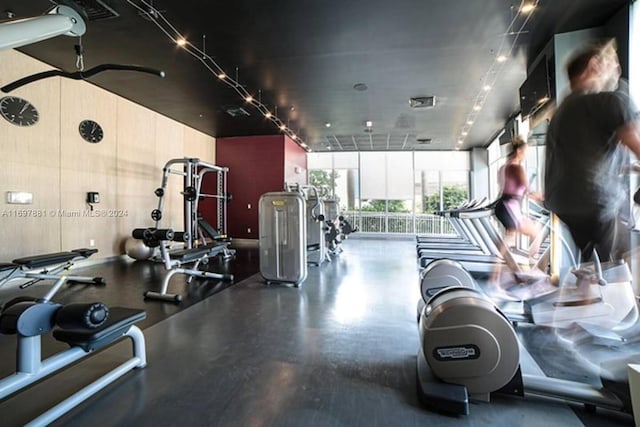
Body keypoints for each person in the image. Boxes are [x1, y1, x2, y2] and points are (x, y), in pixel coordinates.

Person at [544, 39, 640, 263]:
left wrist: (628, 167)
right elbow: (634, 142)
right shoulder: (610, 102)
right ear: (594, 65)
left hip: (565, 205)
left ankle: (588, 291)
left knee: (593, 267)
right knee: (615, 265)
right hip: (595, 202)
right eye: (612, 64)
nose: (617, 71)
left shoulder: (562, 111)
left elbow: (581, 156)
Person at [494, 136, 544, 263]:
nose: (525, 155)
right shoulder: (517, 168)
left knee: (508, 241)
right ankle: (533, 269)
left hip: (504, 206)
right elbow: (528, 191)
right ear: (519, 151)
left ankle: (495, 277)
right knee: (536, 233)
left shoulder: (504, 167)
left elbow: (506, 187)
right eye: (525, 152)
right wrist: (544, 196)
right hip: (510, 207)